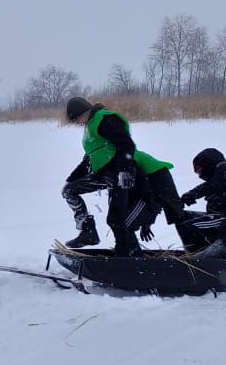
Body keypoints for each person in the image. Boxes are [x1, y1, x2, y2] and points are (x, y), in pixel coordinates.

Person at [61, 96, 176, 256]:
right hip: (104, 174)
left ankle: (126, 254)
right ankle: (88, 232)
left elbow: (126, 144)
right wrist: (71, 180)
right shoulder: (90, 126)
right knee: (69, 191)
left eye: (78, 118)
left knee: (116, 218)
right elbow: (89, 158)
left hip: (118, 172)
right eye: (75, 121)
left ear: (86, 111)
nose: (78, 122)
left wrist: (124, 170)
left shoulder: (104, 119)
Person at [177, 147, 226, 250]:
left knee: (187, 227)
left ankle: (194, 258)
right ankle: (201, 250)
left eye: (200, 168)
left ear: (209, 163)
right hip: (220, 220)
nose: (199, 174)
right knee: (180, 216)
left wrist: (193, 193)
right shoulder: (217, 183)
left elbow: (218, 183)